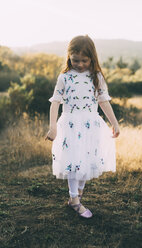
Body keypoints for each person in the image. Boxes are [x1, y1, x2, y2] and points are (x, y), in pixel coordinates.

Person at [45, 35, 120, 218]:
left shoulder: (96, 77)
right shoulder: (65, 77)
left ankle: (76, 197)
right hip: (70, 124)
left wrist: (115, 123)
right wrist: (52, 127)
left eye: (84, 60)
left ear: (92, 58)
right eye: (75, 60)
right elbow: (55, 102)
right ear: (69, 56)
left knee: (86, 161)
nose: (79, 64)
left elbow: (104, 102)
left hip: (90, 125)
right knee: (73, 162)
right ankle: (75, 200)